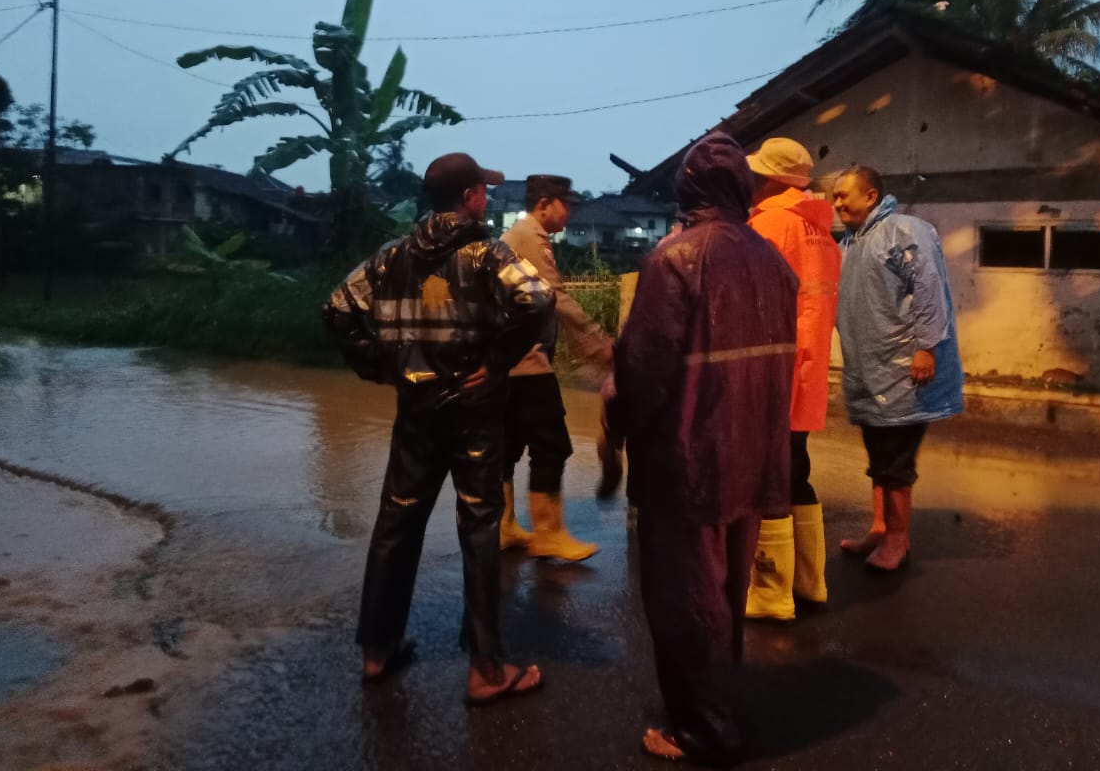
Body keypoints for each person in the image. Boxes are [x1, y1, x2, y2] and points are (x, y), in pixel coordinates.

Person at [323, 152, 554, 706]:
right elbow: (538, 299)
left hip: (416, 406)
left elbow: (336, 308)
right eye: (484, 192)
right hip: (473, 407)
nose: (488, 200)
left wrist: (380, 365)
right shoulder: (486, 252)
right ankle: (485, 669)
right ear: (471, 196)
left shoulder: (392, 256)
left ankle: (377, 651)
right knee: (478, 525)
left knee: (397, 520)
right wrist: (496, 362)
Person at [604, 132, 797, 764]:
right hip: (751, 454)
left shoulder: (675, 258)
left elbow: (643, 369)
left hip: (688, 461)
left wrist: (617, 421)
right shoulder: (773, 262)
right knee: (725, 597)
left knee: (687, 599)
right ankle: (719, 704)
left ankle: (703, 729)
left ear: (688, 189)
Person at [831, 165, 964, 572]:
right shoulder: (854, 240)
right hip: (871, 369)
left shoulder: (904, 230)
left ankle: (897, 539)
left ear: (870, 196)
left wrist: (927, 348)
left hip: (905, 368)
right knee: (879, 453)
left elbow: (929, 288)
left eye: (843, 195)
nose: (836, 204)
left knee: (895, 459)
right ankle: (879, 527)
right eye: (834, 197)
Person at [743, 137, 841, 621]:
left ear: (770, 180)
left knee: (770, 475)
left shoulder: (768, 225)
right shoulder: (819, 229)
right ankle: (810, 581)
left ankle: (770, 592)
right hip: (808, 367)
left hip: (772, 368)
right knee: (796, 469)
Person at [500, 174, 614, 561]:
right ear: (545, 204)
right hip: (525, 361)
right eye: (567, 204)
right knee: (552, 445)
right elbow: (556, 300)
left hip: (508, 360)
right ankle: (549, 534)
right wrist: (600, 345)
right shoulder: (530, 237)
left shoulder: (519, 234)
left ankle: (503, 526)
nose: (571, 211)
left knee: (509, 445)